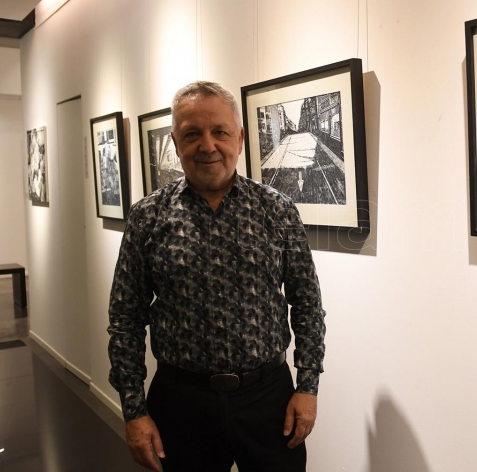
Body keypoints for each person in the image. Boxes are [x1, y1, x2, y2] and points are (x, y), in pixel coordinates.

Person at [107, 80, 325, 472]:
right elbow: (125, 320)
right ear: (176, 142)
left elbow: (307, 303)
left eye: (219, 132)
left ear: (239, 138)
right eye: (192, 134)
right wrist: (133, 410)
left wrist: (307, 386)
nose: (207, 146)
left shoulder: (277, 210)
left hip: (268, 400)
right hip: (180, 404)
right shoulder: (148, 217)